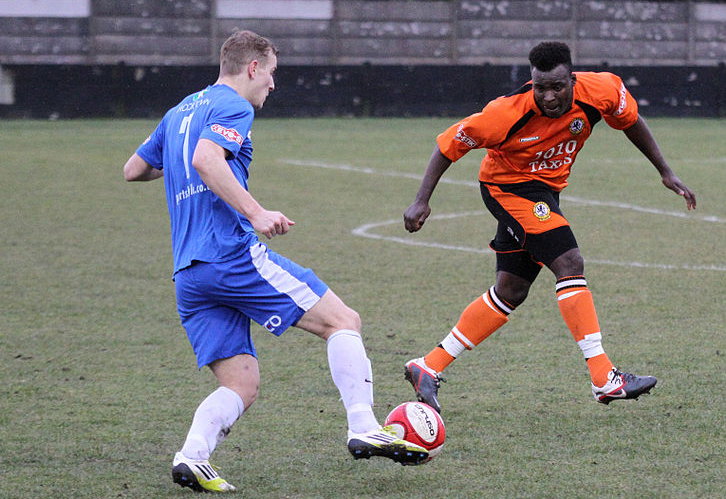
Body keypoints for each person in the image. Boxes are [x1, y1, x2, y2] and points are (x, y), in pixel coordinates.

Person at [123, 30, 428, 493]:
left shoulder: (180, 111)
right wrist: (256, 212)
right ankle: (364, 425)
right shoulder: (234, 106)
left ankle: (193, 457)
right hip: (229, 255)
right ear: (252, 67)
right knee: (342, 320)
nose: (272, 85)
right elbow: (207, 159)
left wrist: (183, 163)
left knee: (240, 384)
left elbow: (134, 169)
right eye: (271, 73)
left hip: (190, 272)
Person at [403, 41, 696, 414]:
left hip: (545, 191)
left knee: (511, 290)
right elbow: (449, 145)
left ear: (571, 78)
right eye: (540, 87)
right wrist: (421, 199)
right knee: (569, 262)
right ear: (532, 81)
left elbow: (631, 122)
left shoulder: (602, 90)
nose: (549, 96)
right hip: (507, 189)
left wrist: (665, 172)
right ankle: (604, 378)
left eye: (557, 86)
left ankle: (428, 367)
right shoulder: (504, 113)